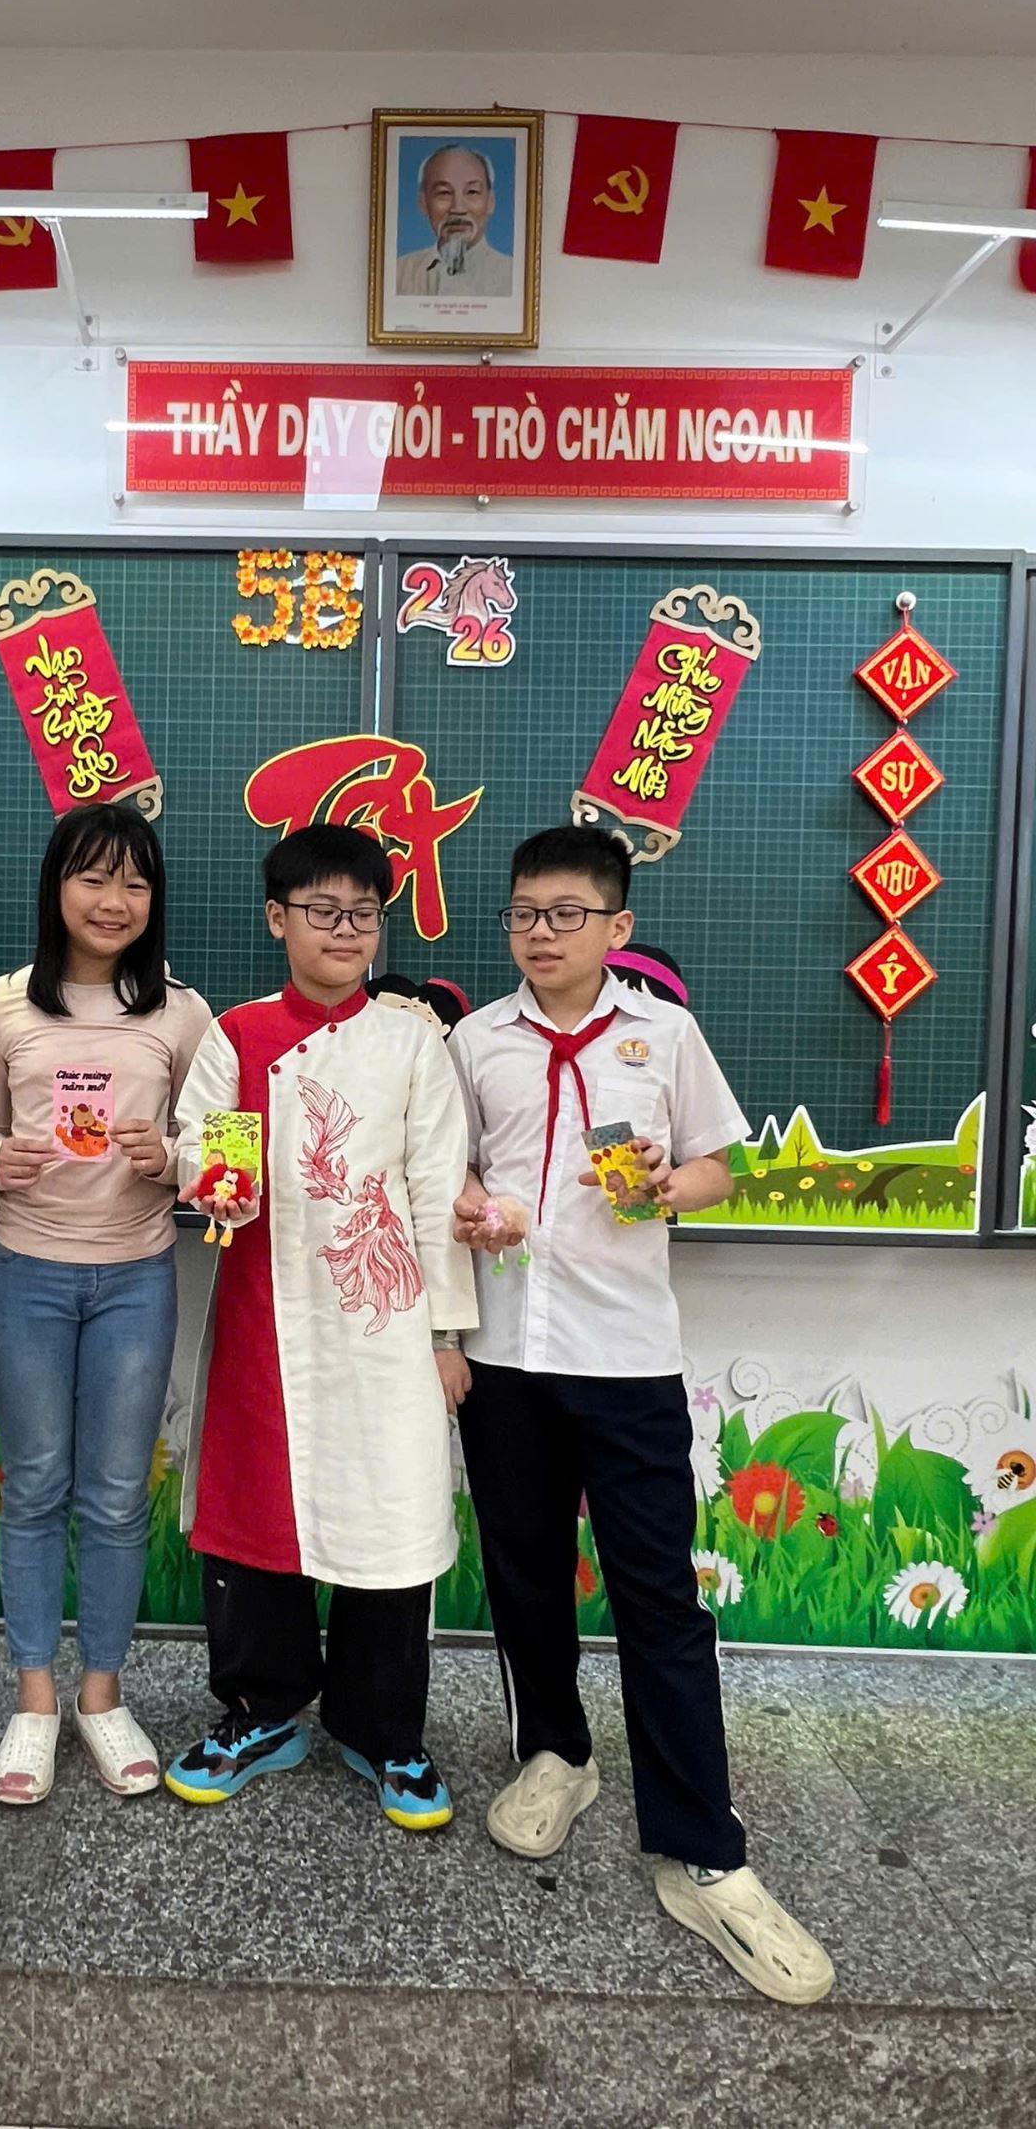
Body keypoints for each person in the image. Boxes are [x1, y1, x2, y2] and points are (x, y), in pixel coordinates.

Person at [447, 824, 834, 2003]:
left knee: (658, 1597)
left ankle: (702, 1848)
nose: (541, 933)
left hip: (624, 1360)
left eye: (566, 914)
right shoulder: (474, 1041)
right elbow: (448, 1170)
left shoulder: (661, 1034)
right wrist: (468, 1207)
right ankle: (554, 1754)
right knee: (522, 1574)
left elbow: (722, 1163)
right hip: (505, 1355)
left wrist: (674, 1187)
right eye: (524, 913)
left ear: (616, 926)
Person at [163, 824, 477, 1833]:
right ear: (277, 919)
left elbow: (436, 1187)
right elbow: (201, 1146)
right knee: (255, 1516)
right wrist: (211, 1179)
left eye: (363, 914)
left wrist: (447, 1337)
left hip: (387, 1326)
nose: (345, 931)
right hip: (266, 1312)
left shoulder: (412, 1041)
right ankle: (262, 1711)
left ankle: (384, 1730)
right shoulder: (239, 1035)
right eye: (322, 911)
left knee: (390, 1515)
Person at [0, 803, 211, 1807]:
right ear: (55, 886)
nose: (114, 901)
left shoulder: (181, 1014)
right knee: (33, 1487)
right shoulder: (0, 1008)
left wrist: (172, 1156)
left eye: (135, 883)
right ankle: (34, 1700)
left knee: (113, 1495)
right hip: (27, 1272)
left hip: (137, 1277)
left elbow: (217, 1146)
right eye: (94, 878)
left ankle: (102, 1696)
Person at [394, 144, 513, 299]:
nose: (458, 208)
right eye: (444, 193)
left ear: (490, 202)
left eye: (472, 192)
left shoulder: (513, 277)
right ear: (423, 203)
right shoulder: (398, 273)